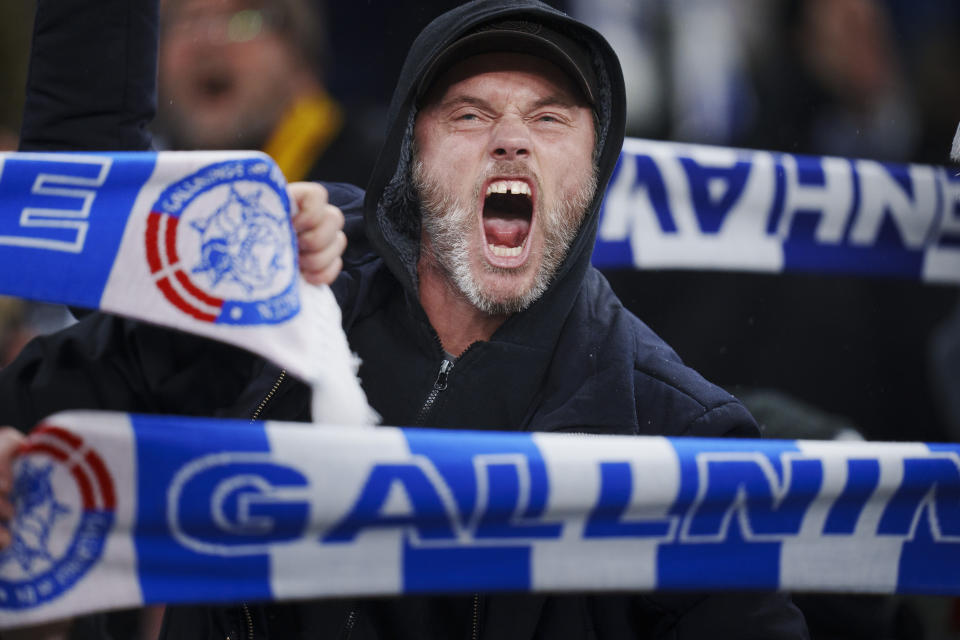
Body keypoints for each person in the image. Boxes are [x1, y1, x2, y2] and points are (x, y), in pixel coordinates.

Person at [0, 0, 809, 637]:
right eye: (468, 114)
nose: (511, 142)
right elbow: (83, 213)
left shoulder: (680, 436)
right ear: (409, 163)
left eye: (552, 117)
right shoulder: (282, 297)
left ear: (594, 175)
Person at [157, 0, 381, 185]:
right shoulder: (136, 183)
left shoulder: (378, 183)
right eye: (185, 21)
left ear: (301, 64)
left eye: (244, 20)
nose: (207, 40)